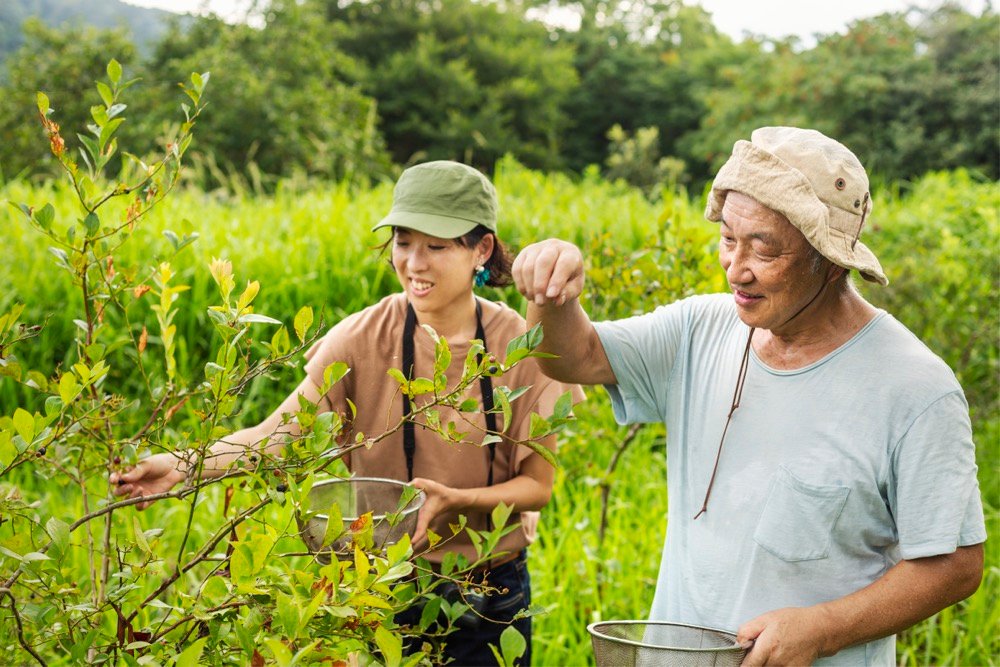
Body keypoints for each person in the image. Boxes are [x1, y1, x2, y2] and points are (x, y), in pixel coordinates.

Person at [511, 127, 985, 665]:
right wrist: (550, 292)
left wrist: (823, 629)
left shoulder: (915, 388)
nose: (736, 269)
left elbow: (956, 564)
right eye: (729, 239)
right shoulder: (702, 328)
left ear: (829, 260)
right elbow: (573, 357)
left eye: (764, 249)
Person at [112, 160, 581, 666]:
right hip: (378, 587)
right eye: (403, 243)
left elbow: (538, 487)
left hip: (490, 591)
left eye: (437, 246)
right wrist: (180, 467)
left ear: (481, 249)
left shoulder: (523, 347)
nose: (415, 264)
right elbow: (276, 435)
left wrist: (457, 499)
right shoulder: (363, 336)